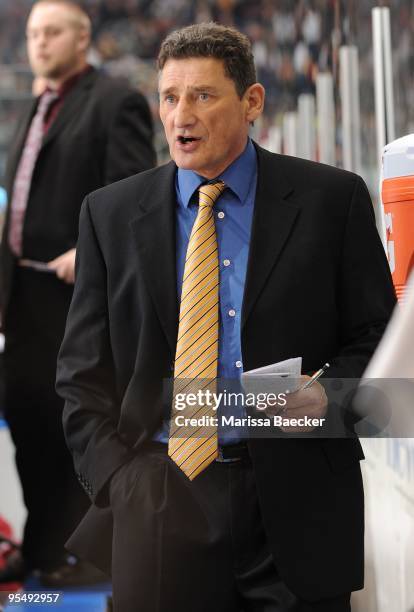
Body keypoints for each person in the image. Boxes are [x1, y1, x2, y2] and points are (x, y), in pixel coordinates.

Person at [56, 22, 395, 611]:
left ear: (252, 102)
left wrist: (327, 400)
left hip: (296, 499)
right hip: (161, 499)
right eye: (169, 97)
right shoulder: (108, 214)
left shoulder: (331, 200)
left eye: (203, 95)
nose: (181, 114)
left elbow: (378, 341)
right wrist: (124, 481)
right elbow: (80, 374)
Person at [0, 0, 156, 586]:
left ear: (83, 36)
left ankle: (89, 555)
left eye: (52, 31)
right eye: (34, 32)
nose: (38, 42)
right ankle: (43, 547)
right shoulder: (37, 106)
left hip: (79, 298)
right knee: (29, 419)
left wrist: (88, 254)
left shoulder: (115, 102)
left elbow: (134, 199)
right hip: (24, 298)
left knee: (78, 425)